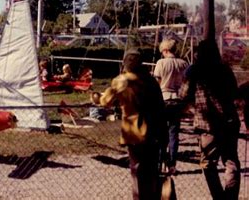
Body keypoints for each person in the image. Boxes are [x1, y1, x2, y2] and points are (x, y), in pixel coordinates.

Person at [97, 48, 167, 200]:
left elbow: (105, 101)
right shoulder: (151, 80)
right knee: (152, 172)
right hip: (153, 131)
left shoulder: (122, 80)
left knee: (137, 173)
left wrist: (96, 97)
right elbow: (160, 107)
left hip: (134, 132)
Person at [179, 40, 241, 200]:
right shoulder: (225, 69)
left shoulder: (194, 71)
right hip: (229, 121)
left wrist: (193, 108)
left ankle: (218, 196)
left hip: (208, 125)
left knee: (208, 163)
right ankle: (230, 196)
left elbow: (183, 95)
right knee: (231, 162)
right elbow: (235, 92)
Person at [153, 38, 188, 174]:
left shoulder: (161, 63)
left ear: (166, 50)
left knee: (161, 134)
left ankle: (160, 162)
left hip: (163, 99)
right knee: (174, 133)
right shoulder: (183, 64)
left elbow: (157, 83)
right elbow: (186, 84)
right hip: (177, 100)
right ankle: (172, 164)